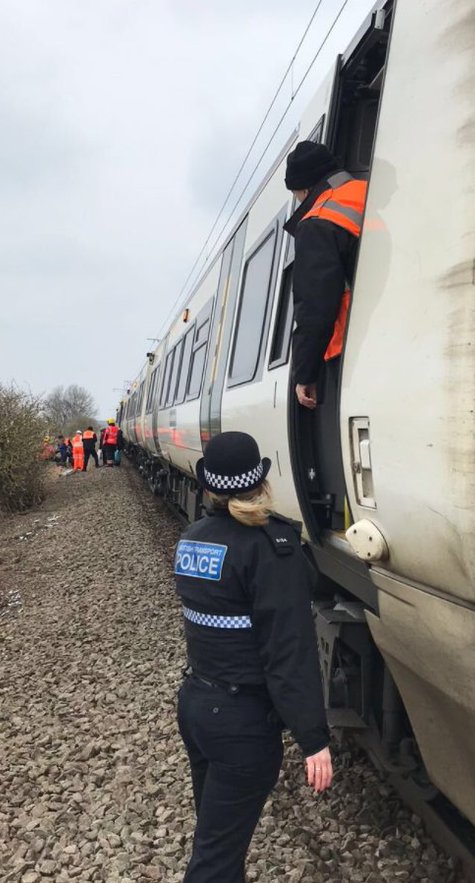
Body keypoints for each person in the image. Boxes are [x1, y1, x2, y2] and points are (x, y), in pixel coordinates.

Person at [174, 431, 332, 883]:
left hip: (197, 710)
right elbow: (289, 652)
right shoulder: (268, 548)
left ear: (209, 487)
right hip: (241, 727)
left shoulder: (193, 539)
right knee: (215, 861)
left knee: (218, 838)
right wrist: (313, 739)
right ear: (261, 483)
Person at [282, 141, 367, 410]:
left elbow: (315, 305)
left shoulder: (318, 220)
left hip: (351, 348)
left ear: (305, 189)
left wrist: (304, 374)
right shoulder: (371, 192)